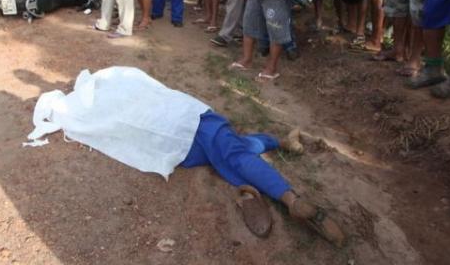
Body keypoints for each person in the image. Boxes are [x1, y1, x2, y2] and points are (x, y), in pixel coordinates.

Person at [28, 66, 345, 245]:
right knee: (232, 149)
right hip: (189, 121)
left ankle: (283, 145)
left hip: (180, 144)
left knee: (234, 148)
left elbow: (138, 92)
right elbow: (141, 84)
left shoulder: (107, 84)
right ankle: (291, 199)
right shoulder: (111, 81)